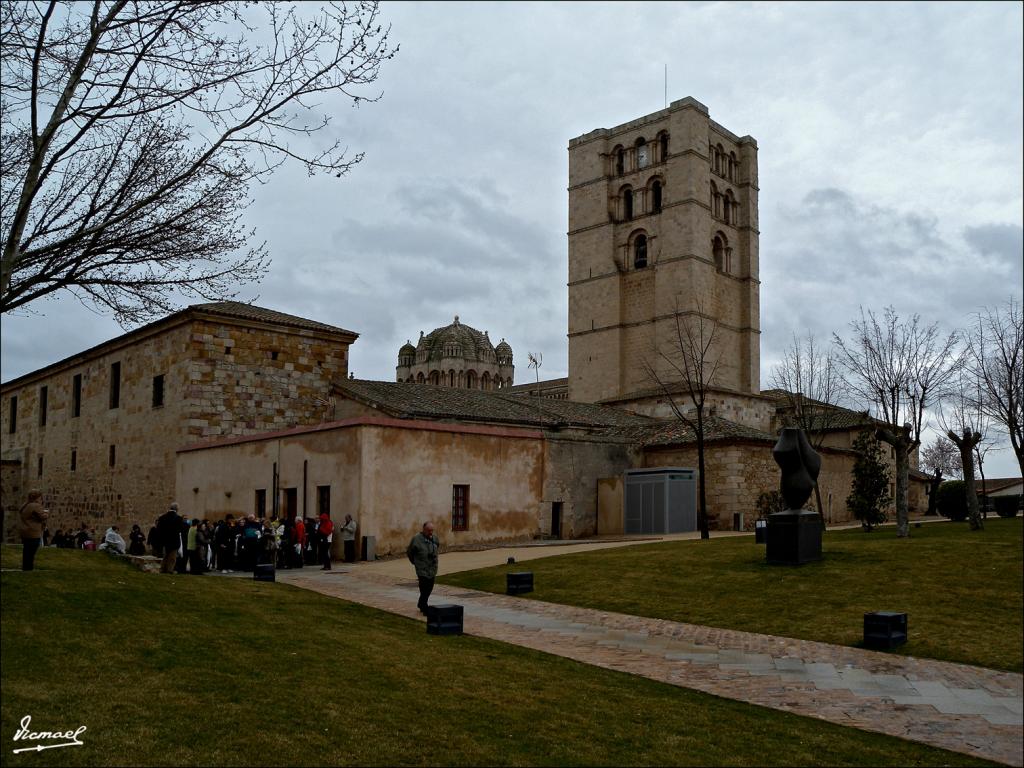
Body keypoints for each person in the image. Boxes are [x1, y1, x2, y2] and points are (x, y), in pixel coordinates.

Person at [406, 521, 439, 615]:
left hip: (432, 568)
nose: (431, 532)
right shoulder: (416, 539)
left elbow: (437, 546)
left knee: (430, 587)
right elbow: (410, 552)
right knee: (424, 587)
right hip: (422, 568)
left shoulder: (435, 538)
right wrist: (415, 562)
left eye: (432, 530)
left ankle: (421, 603)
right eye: (429, 530)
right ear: (424, 530)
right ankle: (424, 607)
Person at [18, 490, 48, 571]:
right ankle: (29, 569)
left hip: (25, 531)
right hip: (33, 532)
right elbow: (43, 516)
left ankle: (25, 568)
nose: (41, 500)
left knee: (26, 552)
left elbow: (31, 516)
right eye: (40, 498)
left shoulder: (26, 505)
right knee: (31, 553)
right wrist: (46, 513)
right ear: (37, 498)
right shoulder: (35, 505)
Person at [156, 503, 182, 574]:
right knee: (172, 558)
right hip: (174, 541)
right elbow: (179, 530)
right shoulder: (178, 518)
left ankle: (162, 569)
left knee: (165, 556)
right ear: (176, 509)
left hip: (164, 541)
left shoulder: (162, 518)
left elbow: (158, 530)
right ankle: (169, 570)